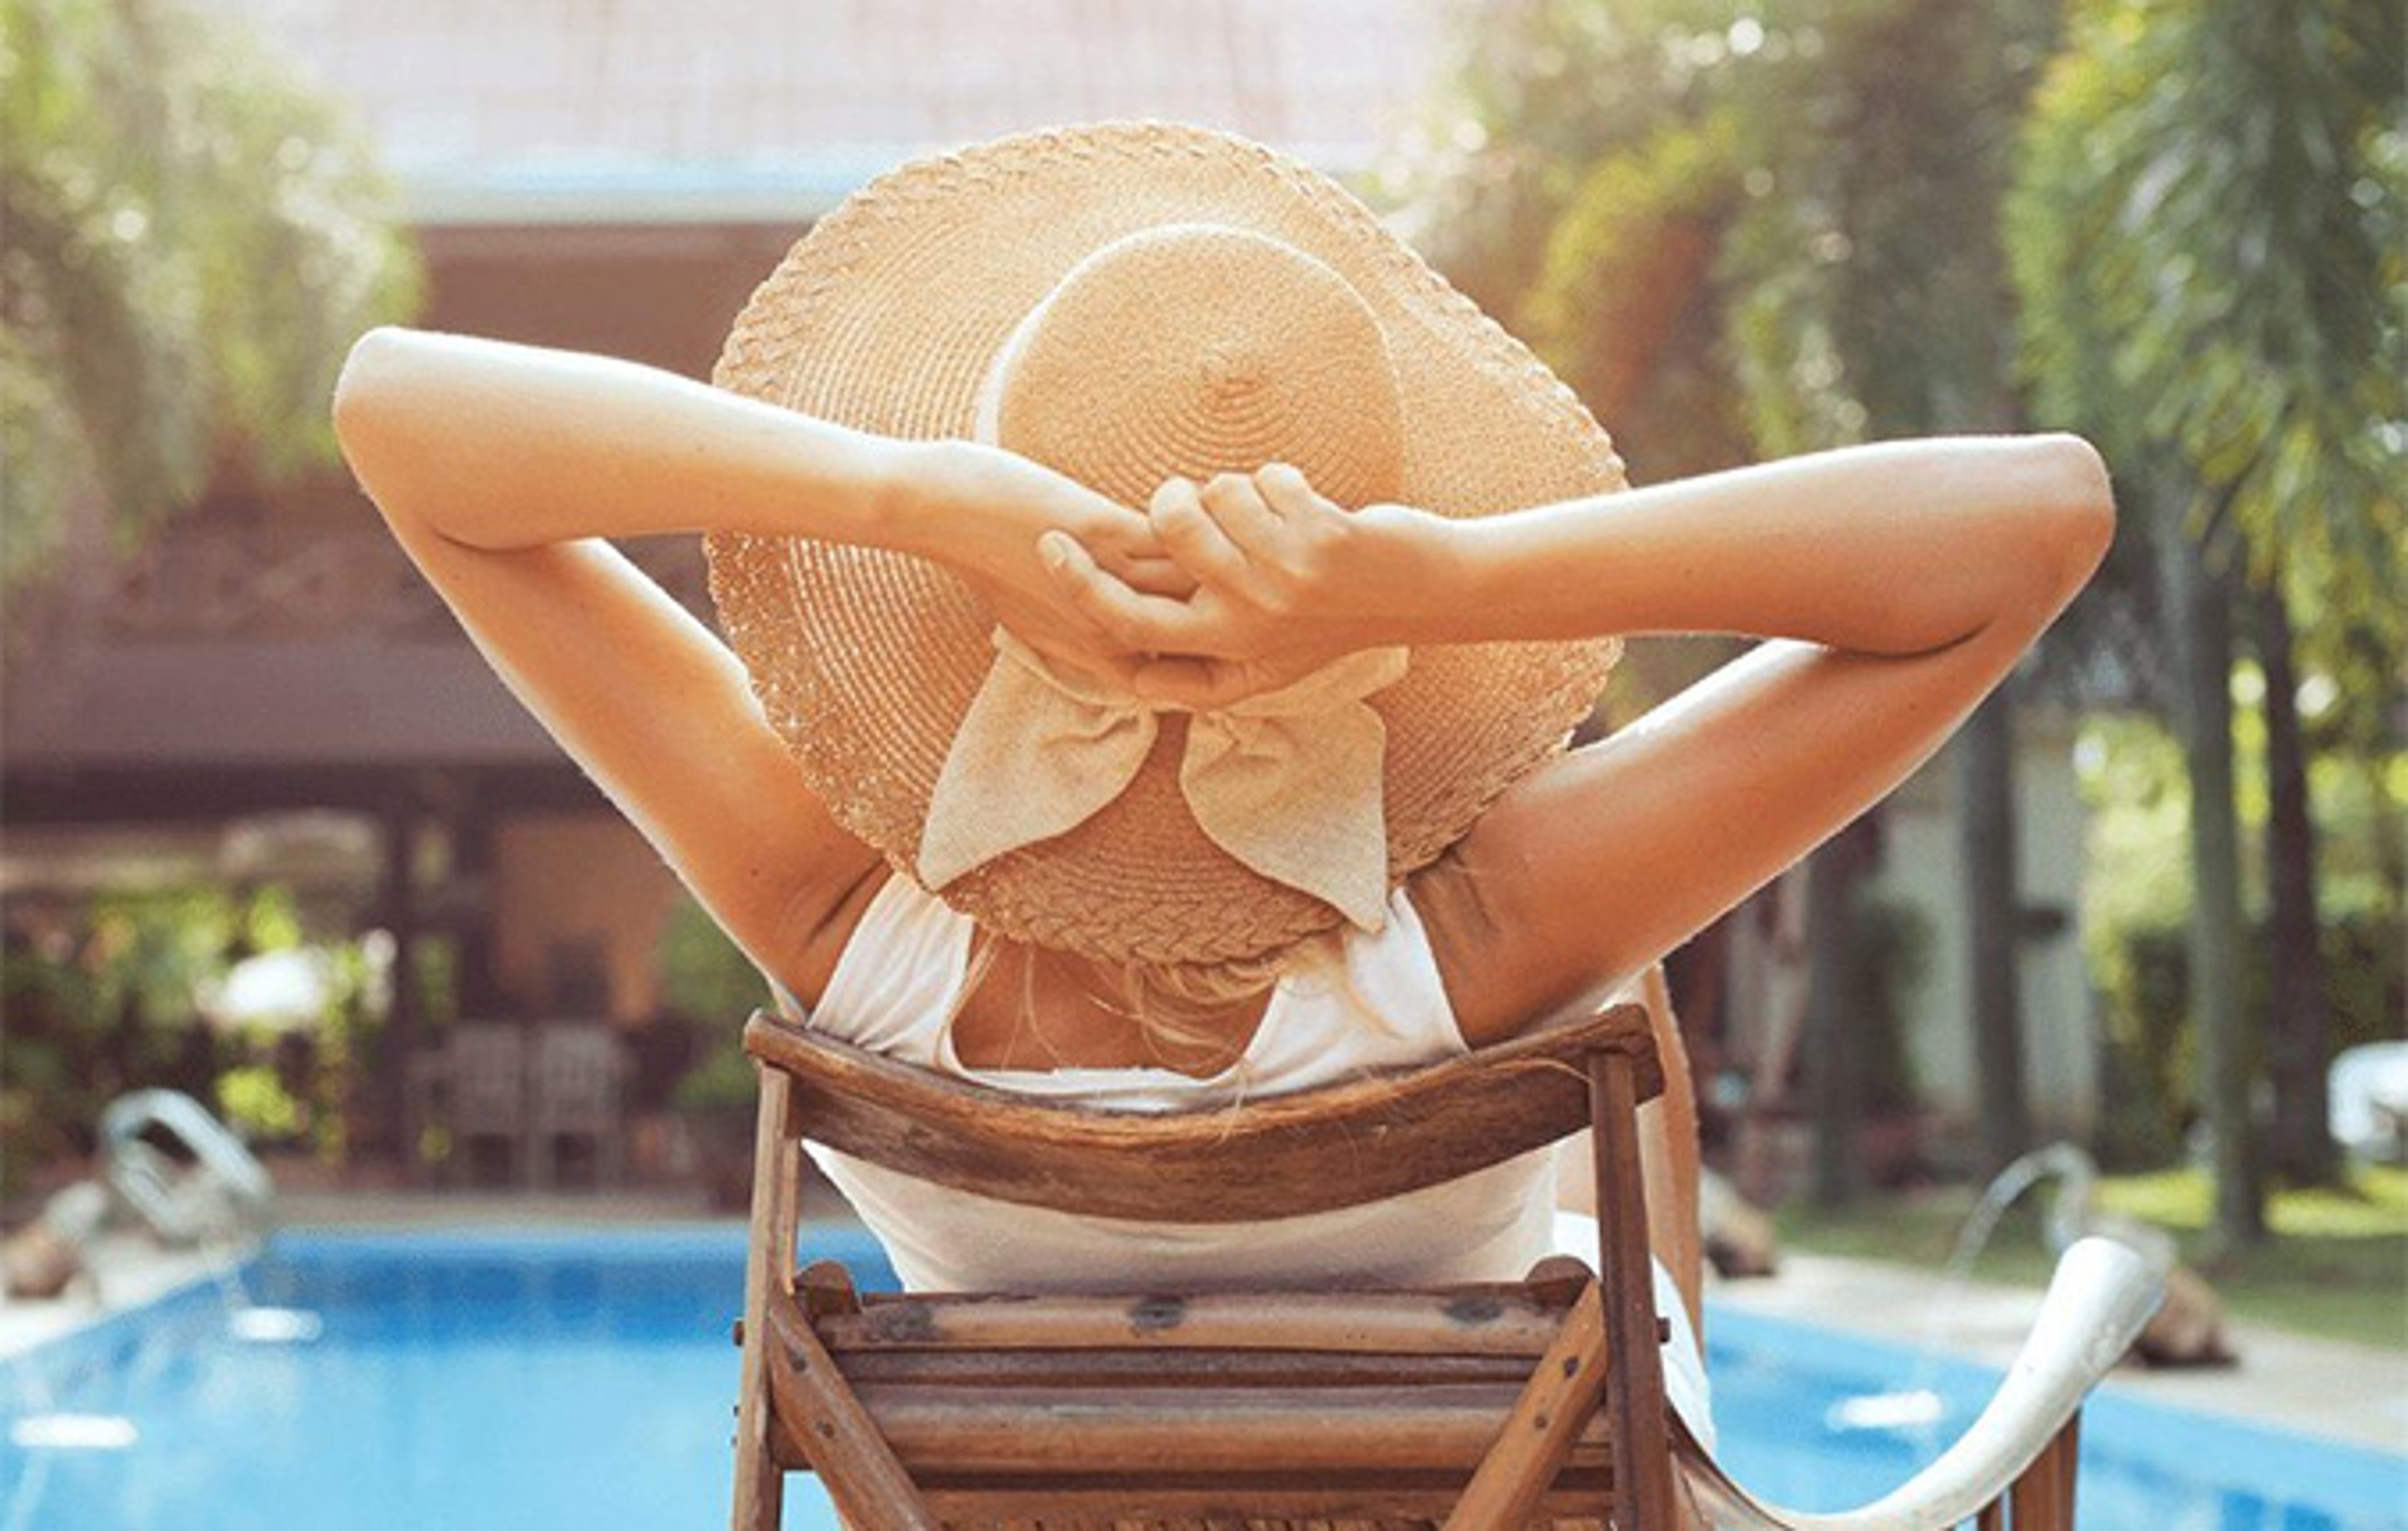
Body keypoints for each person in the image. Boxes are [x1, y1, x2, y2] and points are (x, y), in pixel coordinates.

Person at [331, 122, 2113, 1455]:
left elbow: (397, 407)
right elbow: (2039, 518)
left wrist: (909, 497)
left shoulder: (843, 921)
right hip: (1501, 1469)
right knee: (1620, 1020)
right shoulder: (1481, 940)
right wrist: (1447, 579)